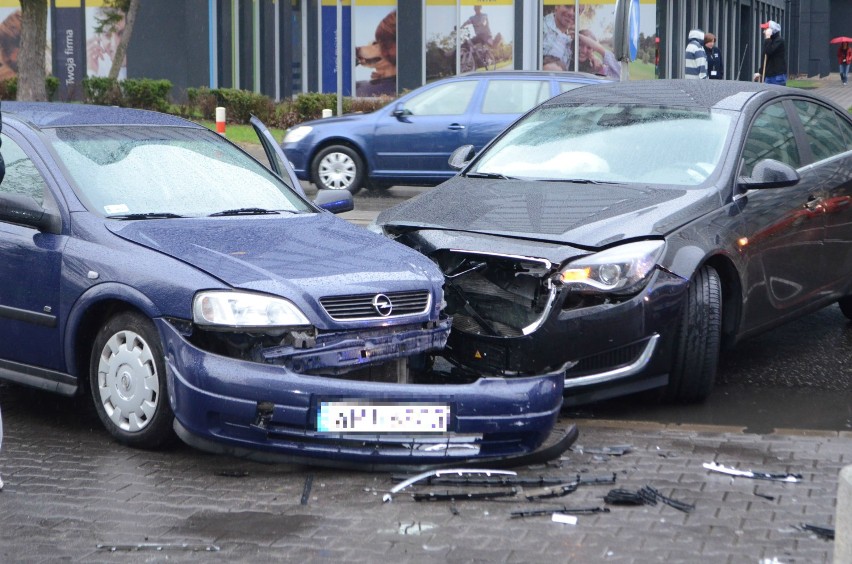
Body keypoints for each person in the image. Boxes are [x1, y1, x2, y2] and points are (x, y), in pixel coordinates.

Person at [542, 5, 574, 71]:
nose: (571, 13)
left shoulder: (571, 43)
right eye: (567, 6)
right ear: (557, 6)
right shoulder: (537, 25)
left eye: (577, 10)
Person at [753, 20, 786, 85]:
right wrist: (760, 72)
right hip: (769, 76)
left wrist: (768, 38)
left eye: (765, 29)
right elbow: (765, 57)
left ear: (771, 31)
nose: (764, 32)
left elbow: (769, 51)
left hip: (777, 76)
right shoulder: (769, 41)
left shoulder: (779, 41)